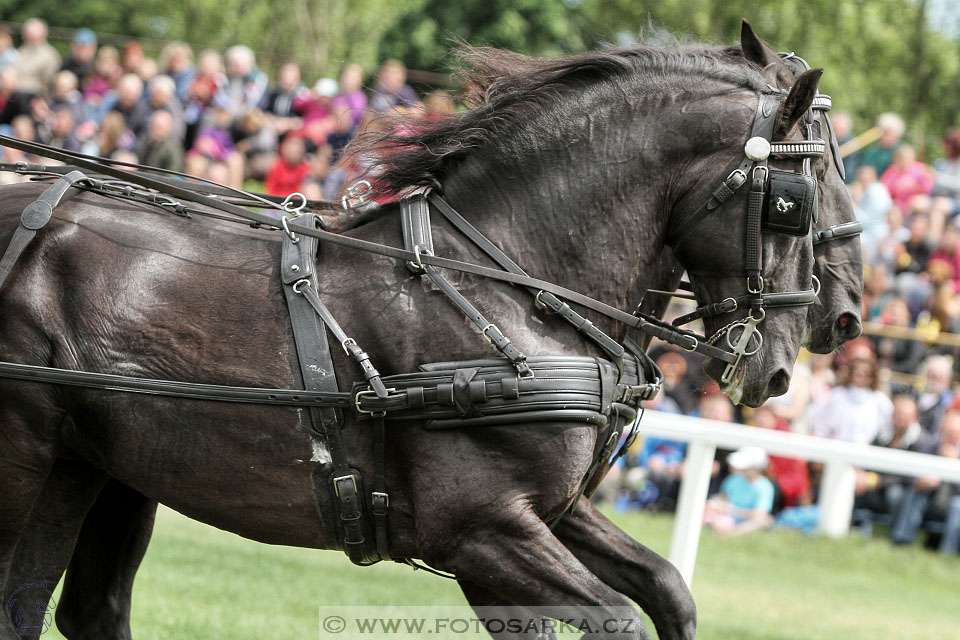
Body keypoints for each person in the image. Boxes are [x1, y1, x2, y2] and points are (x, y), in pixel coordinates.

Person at [852, 394, 926, 535]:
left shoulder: (920, 441)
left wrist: (880, 481)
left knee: (895, 494)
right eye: (897, 414)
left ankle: (895, 535)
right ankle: (856, 526)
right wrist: (862, 474)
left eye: (905, 415)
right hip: (875, 485)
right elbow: (867, 459)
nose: (900, 418)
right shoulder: (882, 435)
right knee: (856, 484)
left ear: (915, 418)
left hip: (904, 490)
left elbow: (910, 477)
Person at [889, 410, 960, 553]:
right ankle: (901, 541)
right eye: (946, 434)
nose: (948, 439)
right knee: (915, 493)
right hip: (931, 501)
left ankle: (948, 552)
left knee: (957, 505)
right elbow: (909, 474)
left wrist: (954, 463)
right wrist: (919, 481)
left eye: (953, 435)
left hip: (953, 501)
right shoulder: (931, 445)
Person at [810, 357, 892, 445]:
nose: (861, 377)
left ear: (872, 377)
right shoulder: (837, 395)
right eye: (857, 373)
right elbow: (820, 424)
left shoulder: (880, 400)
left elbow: (886, 430)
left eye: (866, 374)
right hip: (837, 449)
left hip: (866, 453)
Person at [703, 446, 775, 536]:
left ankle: (732, 533)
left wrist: (731, 509)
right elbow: (723, 496)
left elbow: (759, 514)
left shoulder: (765, 487)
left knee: (763, 521)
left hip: (745, 521)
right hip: (727, 517)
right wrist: (716, 503)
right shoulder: (734, 479)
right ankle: (723, 529)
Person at [13, 18, 61, 97]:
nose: (29, 36)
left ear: (43, 34)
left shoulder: (50, 55)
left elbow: (50, 82)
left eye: (32, 34)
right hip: (15, 95)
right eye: (27, 33)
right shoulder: (21, 51)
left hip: (35, 96)